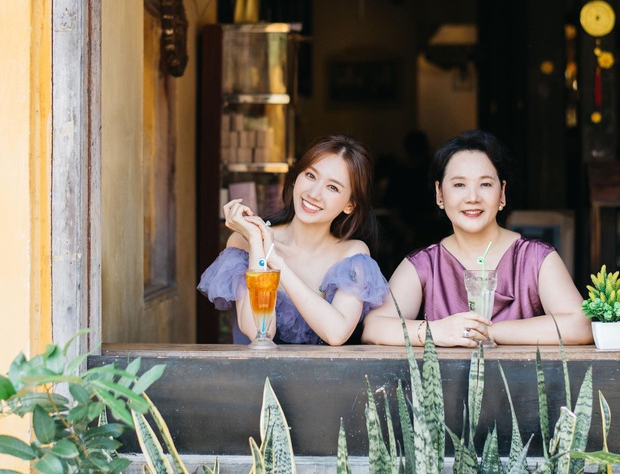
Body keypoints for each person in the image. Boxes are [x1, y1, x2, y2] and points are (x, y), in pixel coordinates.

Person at [362, 129, 593, 347]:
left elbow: (581, 325)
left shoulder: (536, 258)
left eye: (485, 184)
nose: (472, 197)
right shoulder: (424, 265)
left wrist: (487, 332)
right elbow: (373, 328)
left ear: (502, 193)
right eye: (459, 184)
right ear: (439, 194)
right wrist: (438, 331)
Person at [199, 134, 389, 345]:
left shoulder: (352, 254)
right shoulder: (245, 243)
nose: (314, 193)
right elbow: (260, 331)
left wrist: (277, 263)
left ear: (350, 205)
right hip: (255, 377)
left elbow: (336, 333)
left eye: (332, 187)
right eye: (310, 175)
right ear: (297, 177)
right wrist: (257, 246)